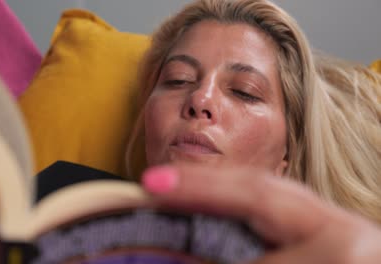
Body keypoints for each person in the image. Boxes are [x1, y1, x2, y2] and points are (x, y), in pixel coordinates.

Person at [125, 0, 381, 262]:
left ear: (288, 151)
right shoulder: (82, 202)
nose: (200, 100)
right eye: (178, 79)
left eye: (243, 91)